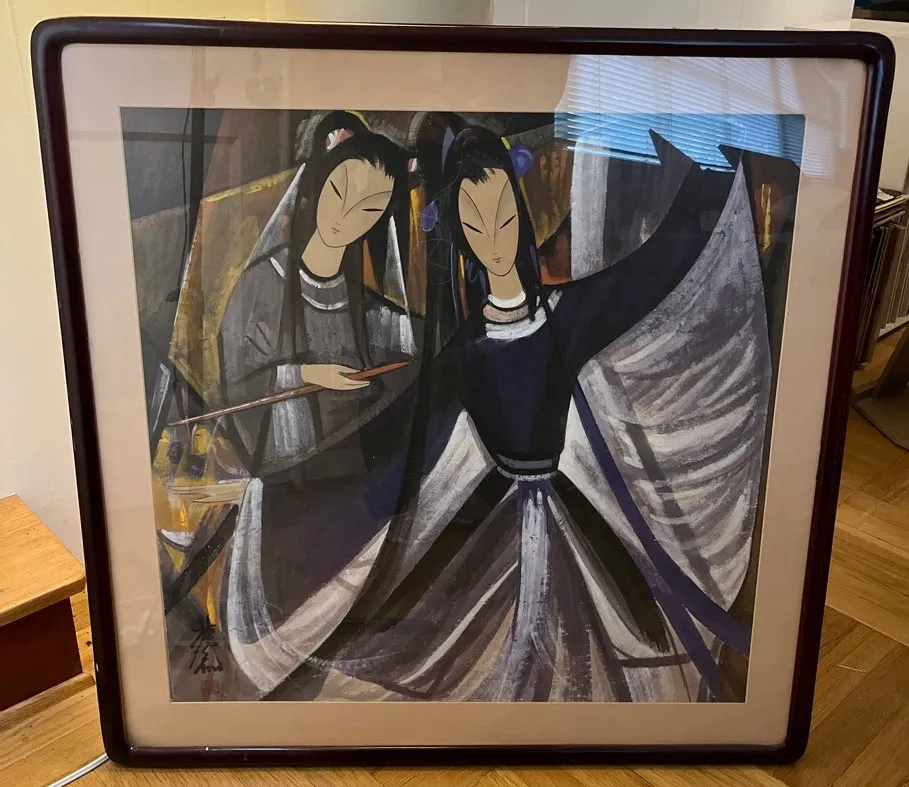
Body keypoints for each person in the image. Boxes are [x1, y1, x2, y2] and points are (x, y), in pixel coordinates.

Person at [234, 115, 771, 703]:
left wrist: (717, 177)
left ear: (521, 215)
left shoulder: (567, 316)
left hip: (568, 517)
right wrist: (289, 495)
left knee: (618, 658)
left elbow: (647, 276)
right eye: (475, 224)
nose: (493, 237)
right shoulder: (464, 350)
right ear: (460, 236)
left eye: (504, 218)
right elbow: (400, 446)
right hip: (492, 524)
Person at [218, 112, 422, 683]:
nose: (347, 216)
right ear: (315, 187)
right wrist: (307, 374)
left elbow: (410, 348)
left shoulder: (365, 306)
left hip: (350, 497)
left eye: (370, 208)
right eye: (340, 193)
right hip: (289, 493)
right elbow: (236, 383)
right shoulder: (261, 286)